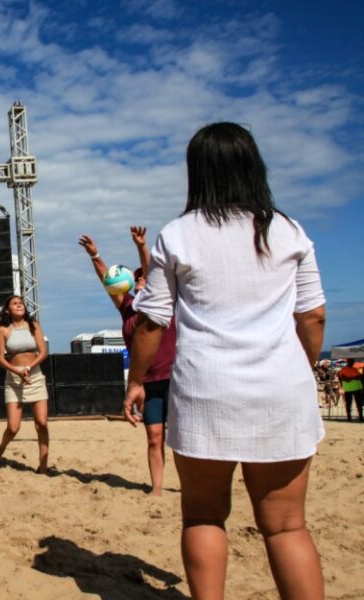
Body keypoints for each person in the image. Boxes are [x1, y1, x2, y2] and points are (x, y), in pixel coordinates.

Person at [125, 122, 326, 599]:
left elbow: (152, 323)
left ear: (197, 172)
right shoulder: (288, 229)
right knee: (286, 527)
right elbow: (313, 315)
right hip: (282, 389)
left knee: (203, 515)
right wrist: (305, 366)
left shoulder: (178, 234)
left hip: (205, 389)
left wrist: (136, 379)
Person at [79, 228, 177, 495]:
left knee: (181, 440)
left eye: (144, 277)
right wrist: (95, 255)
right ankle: (156, 489)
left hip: (176, 377)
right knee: (154, 437)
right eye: (137, 278)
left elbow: (149, 269)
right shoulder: (127, 308)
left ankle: (191, 487)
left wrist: (141, 247)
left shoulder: (161, 302)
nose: (141, 279)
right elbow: (106, 280)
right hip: (147, 381)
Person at [0, 295, 50, 473]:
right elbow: (0, 358)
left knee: (42, 423)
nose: (19, 305)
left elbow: (43, 352)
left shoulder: (34, 325)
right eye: (14, 303)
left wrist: (29, 367)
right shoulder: (3, 330)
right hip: (14, 380)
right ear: (8, 310)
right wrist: (17, 371)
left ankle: (43, 466)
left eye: (21, 303)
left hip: (35, 377)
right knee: (13, 427)